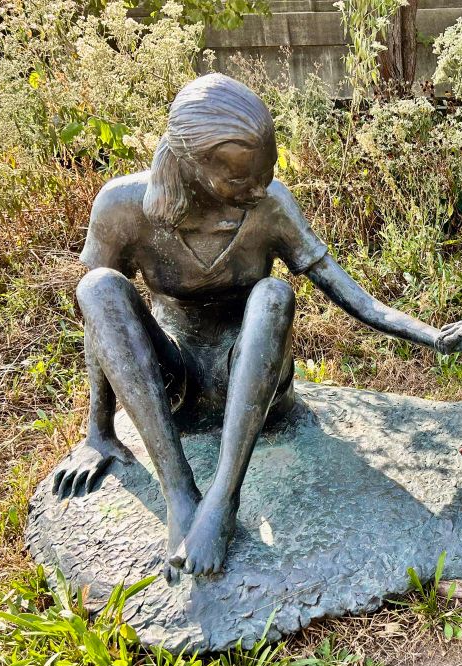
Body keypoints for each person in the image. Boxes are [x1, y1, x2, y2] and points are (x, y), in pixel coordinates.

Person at [52, 74, 441, 578]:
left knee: (274, 293)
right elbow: (105, 328)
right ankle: (180, 492)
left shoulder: (269, 205)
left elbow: (344, 290)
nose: (257, 189)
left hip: (253, 381)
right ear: (188, 163)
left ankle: (223, 497)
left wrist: (428, 335)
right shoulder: (122, 207)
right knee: (96, 287)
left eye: (265, 172)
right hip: (173, 380)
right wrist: (98, 432)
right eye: (238, 180)